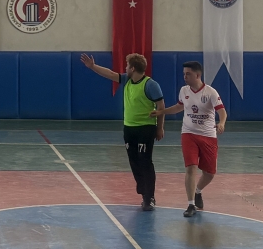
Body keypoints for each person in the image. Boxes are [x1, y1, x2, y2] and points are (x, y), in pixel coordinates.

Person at [79, 53, 166, 211]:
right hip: (129, 128)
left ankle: (149, 197)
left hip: (146, 127)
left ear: (133, 68)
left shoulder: (150, 85)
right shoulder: (127, 80)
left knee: (145, 161)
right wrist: (92, 67)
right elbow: (110, 74)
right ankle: (143, 192)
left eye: (127, 66)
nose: (125, 68)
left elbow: (161, 107)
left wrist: (160, 127)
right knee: (134, 161)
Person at [150, 61, 227, 218]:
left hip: (208, 136)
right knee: (191, 167)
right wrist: (161, 112)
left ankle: (198, 191)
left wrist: (221, 123)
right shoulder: (184, 90)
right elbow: (179, 107)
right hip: (188, 133)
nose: (185, 77)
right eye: (184, 74)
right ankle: (191, 204)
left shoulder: (211, 92)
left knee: (210, 173)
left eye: (188, 74)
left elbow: (222, 112)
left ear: (197, 75)